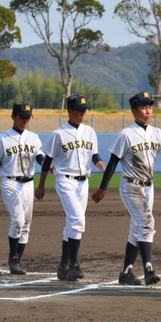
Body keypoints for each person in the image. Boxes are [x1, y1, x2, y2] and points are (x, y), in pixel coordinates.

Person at [91, 92, 161, 286]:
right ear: (134, 111)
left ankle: (126, 273)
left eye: (150, 106)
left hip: (148, 188)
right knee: (146, 224)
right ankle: (148, 270)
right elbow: (112, 163)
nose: (148, 110)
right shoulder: (126, 135)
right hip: (130, 187)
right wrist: (102, 188)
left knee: (137, 229)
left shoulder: (158, 133)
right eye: (143, 107)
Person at [36, 94, 106, 282]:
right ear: (70, 111)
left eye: (85, 110)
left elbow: (95, 156)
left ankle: (62, 267)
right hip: (65, 181)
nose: (83, 113)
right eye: (79, 110)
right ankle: (74, 265)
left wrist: (103, 168)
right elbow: (47, 160)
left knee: (72, 226)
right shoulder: (59, 133)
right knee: (78, 221)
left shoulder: (90, 132)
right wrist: (41, 185)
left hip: (84, 182)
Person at [0, 103, 45, 275]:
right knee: (18, 220)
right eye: (22, 117)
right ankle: (12, 257)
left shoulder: (34, 137)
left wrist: (46, 164)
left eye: (28, 117)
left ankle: (17, 262)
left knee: (26, 224)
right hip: (10, 182)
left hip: (28, 184)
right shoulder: (2, 139)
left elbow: (40, 156)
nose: (25, 120)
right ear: (13, 117)